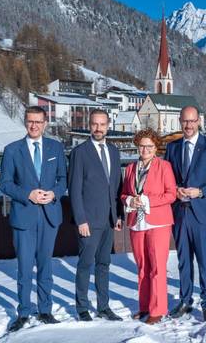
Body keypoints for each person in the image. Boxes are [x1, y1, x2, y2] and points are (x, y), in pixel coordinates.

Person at [0, 106, 67, 331]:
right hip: (24, 215)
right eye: (30, 121)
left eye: (38, 121)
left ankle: (45, 310)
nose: (34, 125)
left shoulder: (56, 148)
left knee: (46, 266)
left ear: (45, 123)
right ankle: (24, 312)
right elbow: (5, 184)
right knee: (25, 267)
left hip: (49, 216)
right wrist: (27, 194)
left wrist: (54, 193)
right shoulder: (12, 150)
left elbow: (63, 180)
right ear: (25, 122)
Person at [164, 105, 206, 322]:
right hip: (179, 213)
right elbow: (167, 177)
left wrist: (200, 191)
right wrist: (175, 190)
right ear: (180, 121)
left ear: (198, 121)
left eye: (192, 121)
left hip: (202, 213)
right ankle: (185, 301)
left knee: (204, 261)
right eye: (185, 121)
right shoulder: (172, 147)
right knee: (183, 261)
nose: (188, 125)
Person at [69, 109, 124, 322]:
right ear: (89, 125)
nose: (98, 128)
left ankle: (103, 306)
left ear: (108, 125)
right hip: (89, 221)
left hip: (109, 219)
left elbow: (117, 185)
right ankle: (82, 307)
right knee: (85, 264)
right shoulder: (80, 152)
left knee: (104, 264)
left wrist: (118, 215)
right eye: (94, 124)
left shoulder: (114, 151)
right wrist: (80, 219)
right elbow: (74, 189)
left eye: (102, 124)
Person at [121, 128, 176, 325]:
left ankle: (158, 309)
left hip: (158, 222)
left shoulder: (164, 166)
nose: (145, 150)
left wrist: (147, 200)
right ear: (137, 146)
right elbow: (123, 194)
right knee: (142, 266)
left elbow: (171, 194)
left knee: (157, 267)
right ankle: (144, 306)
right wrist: (129, 201)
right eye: (142, 146)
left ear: (156, 148)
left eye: (149, 146)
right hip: (136, 222)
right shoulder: (130, 168)